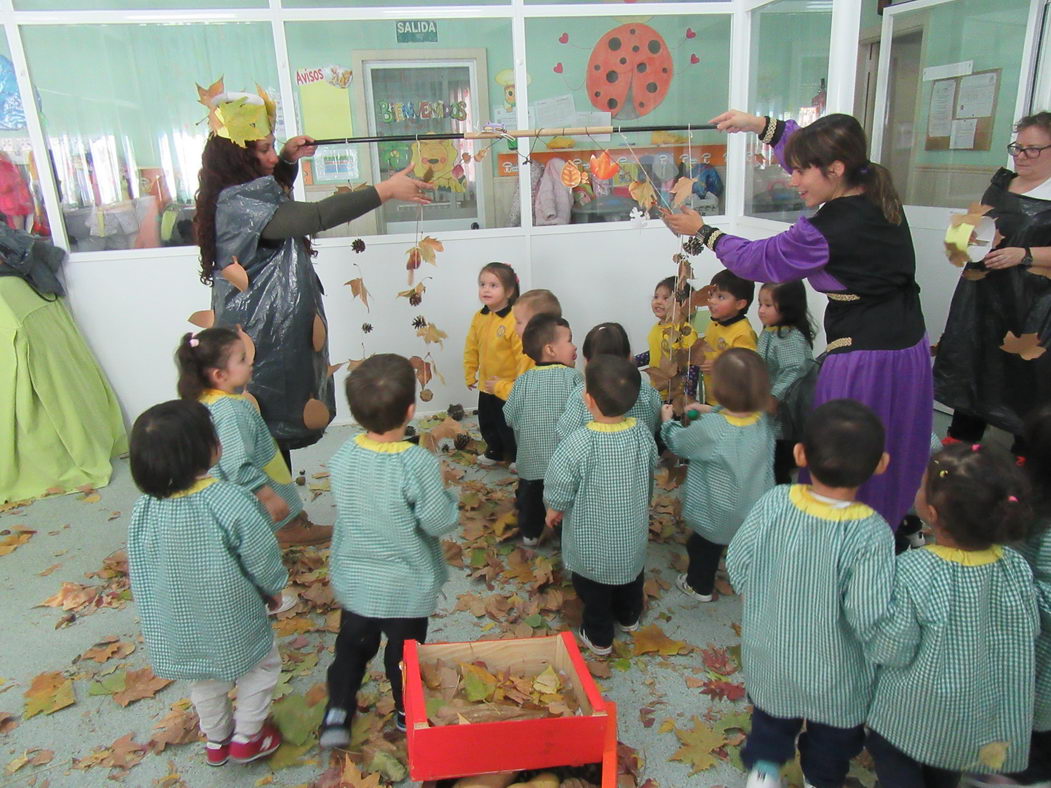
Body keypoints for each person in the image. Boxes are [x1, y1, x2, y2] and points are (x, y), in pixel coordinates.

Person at [665, 110, 932, 529]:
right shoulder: (871, 182)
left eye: (802, 171)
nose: (793, 179)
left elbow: (763, 260)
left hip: (869, 359)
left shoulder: (828, 229)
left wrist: (705, 232)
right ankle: (887, 524)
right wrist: (761, 127)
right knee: (889, 440)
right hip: (907, 342)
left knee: (844, 446)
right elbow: (810, 151)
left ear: (835, 169)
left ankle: (839, 531)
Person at [193, 82, 431, 470]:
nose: (272, 156)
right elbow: (311, 217)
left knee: (267, 415)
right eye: (265, 149)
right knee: (262, 416)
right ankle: (279, 517)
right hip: (257, 330)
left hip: (265, 326)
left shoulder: (242, 191)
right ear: (240, 158)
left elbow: (275, 202)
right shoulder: (239, 203)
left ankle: (282, 509)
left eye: (273, 145)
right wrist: (383, 191)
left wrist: (287, 159)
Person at [726, 399, 895, 788]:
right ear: (881, 464)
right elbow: (869, 615)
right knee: (833, 739)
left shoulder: (774, 502)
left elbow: (738, 560)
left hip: (771, 655)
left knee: (769, 720)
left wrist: (754, 598)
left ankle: (764, 772)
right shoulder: (873, 533)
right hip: (836, 673)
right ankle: (819, 778)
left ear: (800, 454)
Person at [865, 443, 1038, 788]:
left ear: (931, 512)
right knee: (945, 770)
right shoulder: (1016, 568)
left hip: (911, 713)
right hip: (975, 718)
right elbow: (1027, 630)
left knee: (892, 756)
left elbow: (891, 647)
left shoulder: (914, 569)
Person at [127, 400, 287, 767]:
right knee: (260, 666)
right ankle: (249, 735)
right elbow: (259, 553)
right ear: (206, 449)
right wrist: (273, 587)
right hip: (231, 613)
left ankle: (216, 740)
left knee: (203, 679)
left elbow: (141, 564)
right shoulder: (229, 499)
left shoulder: (144, 509)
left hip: (176, 620)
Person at [320, 354, 459, 747]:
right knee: (404, 657)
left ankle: (337, 713)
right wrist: (450, 502)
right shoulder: (417, 463)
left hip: (358, 583)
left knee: (350, 650)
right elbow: (435, 521)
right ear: (411, 411)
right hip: (405, 587)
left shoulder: (344, 454)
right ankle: (406, 713)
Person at [934, 111, 1051, 450]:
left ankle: (1025, 458)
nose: (1021, 156)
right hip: (983, 298)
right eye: (1018, 147)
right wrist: (966, 240)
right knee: (972, 367)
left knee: (1026, 380)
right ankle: (960, 446)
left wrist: (1024, 254)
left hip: (1033, 305)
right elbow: (963, 234)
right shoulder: (1000, 185)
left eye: (1033, 149)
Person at [544, 355, 658, 656]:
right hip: (631, 533)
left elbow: (560, 482)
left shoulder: (578, 442)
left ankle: (599, 637)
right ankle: (629, 616)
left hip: (592, 539)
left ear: (588, 399)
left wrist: (554, 507)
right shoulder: (642, 434)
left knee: (594, 590)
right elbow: (650, 468)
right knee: (632, 576)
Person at [175, 327, 327, 548]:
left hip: (230, 483)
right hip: (253, 484)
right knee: (274, 500)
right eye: (242, 359)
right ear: (220, 375)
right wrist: (266, 496)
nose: (250, 363)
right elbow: (236, 464)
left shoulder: (206, 400)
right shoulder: (230, 410)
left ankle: (290, 518)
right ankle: (287, 529)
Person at [660, 349, 775, 603]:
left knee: (703, 548)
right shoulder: (761, 421)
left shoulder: (714, 430)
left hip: (716, 512)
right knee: (740, 544)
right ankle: (745, 576)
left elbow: (680, 443)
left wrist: (668, 422)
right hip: (753, 509)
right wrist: (712, 410)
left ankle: (698, 586)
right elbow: (735, 418)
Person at [503, 314, 581, 547]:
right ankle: (563, 532)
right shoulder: (575, 378)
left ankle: (530, 532)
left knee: (530, 497)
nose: (575, 346)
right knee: (565, 498)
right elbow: (584, 416)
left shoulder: (523, 380)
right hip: (564, 460)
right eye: (569, 340)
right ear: (550, 349)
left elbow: (509, 416)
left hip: (530, 458)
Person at [556, 322, 662, 441]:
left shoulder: (581, 395)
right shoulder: (647, 392)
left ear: (587, 361)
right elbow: (657, 425)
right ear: (628, 357)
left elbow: (565, 432)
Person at [463, 262, 523, 467]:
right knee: (487, 420)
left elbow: (522, 354)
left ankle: (515, 455)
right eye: (482, 284)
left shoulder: (514, 319)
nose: (486, 289)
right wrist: (470, 371)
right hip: (486, 384)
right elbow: (471, 347)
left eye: (493, 285)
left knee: (507, 422)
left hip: (507, 385)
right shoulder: (479, 317)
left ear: (509, 291)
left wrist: (520, 381)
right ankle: (495, 449)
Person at [756, 281, 815, 483]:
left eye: (768, 305)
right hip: (768, 412)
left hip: (785, 416)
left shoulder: (790, 337)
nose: (761, 310)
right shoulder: (771, 332)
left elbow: (795, 369)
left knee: (779, 465)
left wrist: (775, 396)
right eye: (760, 304)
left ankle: (780, 504)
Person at [634, 275, 700, 401]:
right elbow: (656, 353)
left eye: (665, 298)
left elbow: (692, 365)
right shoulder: (656, 328)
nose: (658, 301)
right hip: (658, 393)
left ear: (683, 304)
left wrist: (688, 397)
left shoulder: (685, 331)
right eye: (656, 296)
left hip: (677, 396)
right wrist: (632, 362)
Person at [701, 270, 758, 406]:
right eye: (711, 295)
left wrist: (719, 366)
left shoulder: (743, 333)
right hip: (712, 398)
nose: (712, 301)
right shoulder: (714, 324)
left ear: (740, 304)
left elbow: (748, 371)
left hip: (733, 403)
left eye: (720, 297)